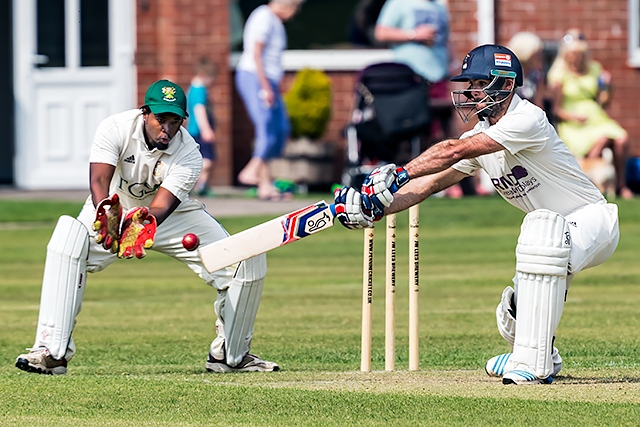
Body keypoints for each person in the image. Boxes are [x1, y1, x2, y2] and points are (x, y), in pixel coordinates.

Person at [333, 44, 620, 385]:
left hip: (594, 221)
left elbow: (453, 149)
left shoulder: (526, 119)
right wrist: (375, 206)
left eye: (478, 83)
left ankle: (533, 364)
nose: (469, 92)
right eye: (468, 84)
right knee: (512, 311)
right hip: (554, 236)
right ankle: (538, 353)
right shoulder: (482, 137)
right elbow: (430, 183)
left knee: (541, 230)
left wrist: (399, 172)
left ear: (506, 84)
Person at [15, 79, 279, 375]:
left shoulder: (189, 154)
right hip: (112, 205)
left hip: (169, 216)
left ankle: (231, 354)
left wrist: (138, 227)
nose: (166, 128)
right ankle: (51, 352)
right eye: (160, 119)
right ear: (145, 113)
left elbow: (162, 207)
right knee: (68, 242)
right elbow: (99, 182)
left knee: (239, 261)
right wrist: (107, 214)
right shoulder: (114, 128)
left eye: (174, 121)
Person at [547, 29, 633, 199]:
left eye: (580, 53)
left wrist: (609, 87)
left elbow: (604, 102)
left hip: (596, 117)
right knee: (601, 141)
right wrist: (574, 117)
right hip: (574, 123)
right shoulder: (559, 74)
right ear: (566, 54)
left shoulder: (594, 69)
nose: (577, 58)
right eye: (574, 54)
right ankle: (589, 186)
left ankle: (621, 185)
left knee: (622, 139)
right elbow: (556, 110)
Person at [235, 0, 303, 201]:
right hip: (254, 77)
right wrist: (265, 86)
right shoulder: (263, 17)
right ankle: (251, 171)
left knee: (281, 128)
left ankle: (265, 184)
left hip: (268, 81)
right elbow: (256, 54)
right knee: (266, 126)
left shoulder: (274, 21)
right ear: (288, 6)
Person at [187, 58, 218, 198]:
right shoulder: (200, 90)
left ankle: (202, 185)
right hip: (199, 131)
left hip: (194, 130)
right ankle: (199, 185)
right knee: (207, 160)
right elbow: (199, 110)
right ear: (205, 75)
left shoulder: (192, 88)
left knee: (203, 159)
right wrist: (206, 129)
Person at [507, 31, 546, 109]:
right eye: (536, 54)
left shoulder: (536, 77)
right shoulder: (508, 75)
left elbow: (539, 107)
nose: (540, 57)